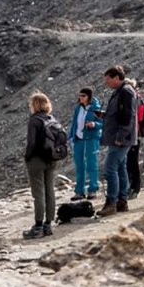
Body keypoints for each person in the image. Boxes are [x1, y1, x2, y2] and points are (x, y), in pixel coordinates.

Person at [22, 92, 65, 239]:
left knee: (38, 193)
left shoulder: (34, 120)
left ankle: (38, 226)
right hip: (51, 159)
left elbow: (31, 143)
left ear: (34, 105)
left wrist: (27, 157)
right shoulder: (51, 119)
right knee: (49, 191)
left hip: (37, 159)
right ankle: (48, 225)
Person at [100, 65, 137, 216]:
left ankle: (111, 202)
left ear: (116, 77)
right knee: (120, 168)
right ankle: (122, 200)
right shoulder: (120, 92)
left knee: (110, 169)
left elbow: (128, 116)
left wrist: (120, 137)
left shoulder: (125, 92)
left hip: (121, 138)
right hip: (119, 137)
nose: (106, 82)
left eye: (108, 79)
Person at [70, 88, 103, 201]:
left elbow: (102, 122)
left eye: (83, 96)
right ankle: (79, 191)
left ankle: (93, 189)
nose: (81, 98)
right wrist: (71, 137)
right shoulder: (78, 108)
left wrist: (94, 124)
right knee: (79, 165)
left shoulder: (95, 108)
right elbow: (74, 123)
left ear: (89, 96)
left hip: (91, 139)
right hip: (79, 138)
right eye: (80, 96)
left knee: (91, 164)